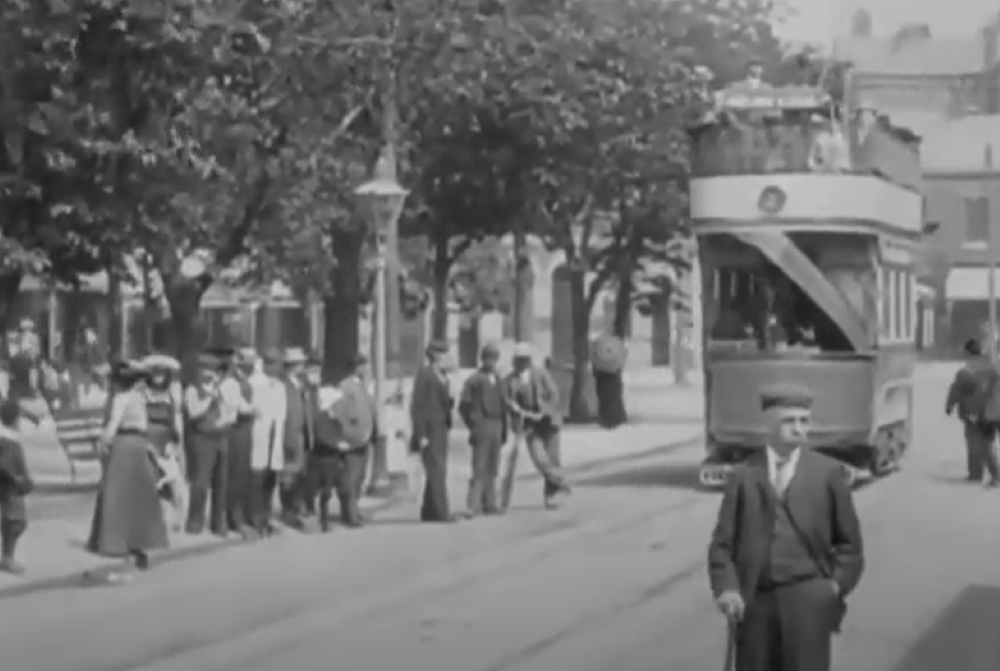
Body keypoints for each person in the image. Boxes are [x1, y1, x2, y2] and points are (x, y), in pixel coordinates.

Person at [707, 383, 864, 671]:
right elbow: (722, 546)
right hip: (755, 602)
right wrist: (728, 589)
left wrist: (833, 586)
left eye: (804, 421)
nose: (799, 429)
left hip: (808, 600)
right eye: (788, 421)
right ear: (768, 423)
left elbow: (850, 546)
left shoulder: (827, 474)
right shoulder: (743, 476)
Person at [87, 360, 168, 581]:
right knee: (139, 497)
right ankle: (138, 541)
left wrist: (103, 442)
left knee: (117, 496)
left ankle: (115, 541)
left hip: (123, 445)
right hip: (137, 445)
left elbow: (112, 425)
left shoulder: (121, 399)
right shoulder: (138, 398)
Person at [504, 342, 571, 510]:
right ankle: (562, 481)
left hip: (549, 422)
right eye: (518, 359)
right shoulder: (511, 379)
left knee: (552, 459)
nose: (520, 363)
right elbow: (506, 399)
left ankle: (551, 495)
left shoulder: (540, 374)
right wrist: (515, 411)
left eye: (524, 359)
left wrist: (546, 411)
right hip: (530, 425)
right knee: (540, 459)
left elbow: (553, 393)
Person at [184, 353, 233, 536]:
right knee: (201, 482)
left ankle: (218, 522)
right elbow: (193, 412)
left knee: (221, 482)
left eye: (212, 370)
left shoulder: (219, 389)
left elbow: (227, 411)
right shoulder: (193, 390)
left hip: (220, 437)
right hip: (201, 438)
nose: (209, 374)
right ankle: (195, 521)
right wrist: (209, 398)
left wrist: (225, 420)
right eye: (205, 369)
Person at [458, 342, 507, 517]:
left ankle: (490, 503)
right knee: (479, 467)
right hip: (482, 424)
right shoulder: (474, 380)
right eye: (488, 358)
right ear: (482, 359)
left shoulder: (499, 380)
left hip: (497, 424)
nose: (491, 362)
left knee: (493, 467)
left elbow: (504, 405)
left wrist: (504, 430)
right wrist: (474, 422)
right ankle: (472, 505)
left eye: (494, 359)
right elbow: (463, 405)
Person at [410, 341, 457, 523]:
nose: (448, 357)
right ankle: (442, 512)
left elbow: (445, 403)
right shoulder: (425, 375)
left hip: (441, 429)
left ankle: (428, 512)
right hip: (430, 430)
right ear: (435, 356)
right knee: (437, 470)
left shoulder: (442, 376)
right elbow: (418, 406)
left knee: (435, 470)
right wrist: (420, 434)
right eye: (444, 354)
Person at [329, 353, 376, 528]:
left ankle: (354, 510)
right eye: (363, 366)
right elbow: (339, 413)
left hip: (364, 438)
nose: (367, 369)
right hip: (353, 439)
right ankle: (349, 514)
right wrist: (347, 433)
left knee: (359, 478)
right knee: (350, 478)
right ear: (356, 368)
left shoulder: (363, 386)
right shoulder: (346, 387)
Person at [945, 338, 1000, 486]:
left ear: (966, 353)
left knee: (976, 444)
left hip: (973, 414)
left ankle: (978, 473)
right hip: (989, 413)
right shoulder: (991, 368)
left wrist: (949, 406)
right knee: (987, 444)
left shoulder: (965, 372)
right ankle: (988, 473)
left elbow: (955, 390)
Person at [141, 354, 186, 532]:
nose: (158, 376)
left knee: (176, 482)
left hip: (166, 441)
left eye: (161, 372)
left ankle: (178, 518)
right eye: (155, 372)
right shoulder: (143, 393)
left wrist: (178, 444)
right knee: (150, 482)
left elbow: (177, 420)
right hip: (147, 440)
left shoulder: (173, 394)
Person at [249, 349, 287, 536]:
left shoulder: (279, 386)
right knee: (257, 479)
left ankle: (266, 517)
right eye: (271, 363)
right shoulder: (255, 384)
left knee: (270, 480)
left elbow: (281, 414)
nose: (274, 367)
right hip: (259, 434)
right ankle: (256, 519)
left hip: (274, 435)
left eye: (277, 364)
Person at [227, 348, 260, 539]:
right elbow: (236, 405)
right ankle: (235, 517)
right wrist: (252, 409)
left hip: (246, 430)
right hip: (236, 430)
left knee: (245, 474)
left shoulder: (246, 380)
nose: (251, 365)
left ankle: (244, 516)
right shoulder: (232, 381)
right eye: (248, 362)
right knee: (236, 475)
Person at [280, 347, 314, 529]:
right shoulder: (284, 386)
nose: (303, 367)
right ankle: (288, 511)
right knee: (288, 475)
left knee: (301, 474)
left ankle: (297, 507)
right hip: (290, 435)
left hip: (303, 434)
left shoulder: (303, 385)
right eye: (300, 364)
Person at [0, 399, 32, 574]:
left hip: (12, 486)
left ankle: (7, 556)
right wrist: (17, 478)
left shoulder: (8, 437)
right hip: (11, 487)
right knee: (16, 521)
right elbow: (4, 464)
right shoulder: (7, 440)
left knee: (14, 520)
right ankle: (7, 557)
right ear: (14, 419)